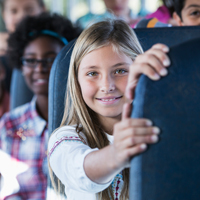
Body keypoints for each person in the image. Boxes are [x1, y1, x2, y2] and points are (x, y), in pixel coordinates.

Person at [48, 19, 170, 200]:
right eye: (92, 73)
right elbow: (80, 169)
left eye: (120, 71)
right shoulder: (65, 139)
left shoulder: (163, 128)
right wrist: (117, 153)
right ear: (77, 81)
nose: (107, 86)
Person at [0, 12, 81, 200]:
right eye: (30, 60)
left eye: (50, 59)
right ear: (20, 63)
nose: (39, 68)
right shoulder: (9, 126)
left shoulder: (86, 121)